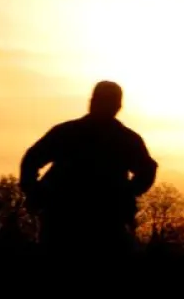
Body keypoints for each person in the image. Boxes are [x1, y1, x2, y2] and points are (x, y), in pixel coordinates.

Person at [19, 80, 158, 253]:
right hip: (74, 219)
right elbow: (32, 159)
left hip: (90, 220)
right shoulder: (124, 139)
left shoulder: (68, 132)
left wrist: (125, 194)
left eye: (106, 100)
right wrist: (34, 191)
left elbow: (147, 170)